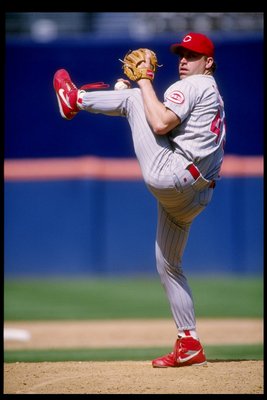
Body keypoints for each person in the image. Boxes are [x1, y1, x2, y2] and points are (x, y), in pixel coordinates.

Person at [53, 32, 226, 368]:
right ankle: (189, 342)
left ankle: (74, 100)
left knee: (134, 99)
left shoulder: (193, 86)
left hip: (173, 176)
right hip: (198, 195)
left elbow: (160, 122)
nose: (183, 60)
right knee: (170, 265)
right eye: (181, 54)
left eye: (192, 56)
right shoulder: (213, 94)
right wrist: (129, 92)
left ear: (208, 62)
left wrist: (143, 82)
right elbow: (171, 127)